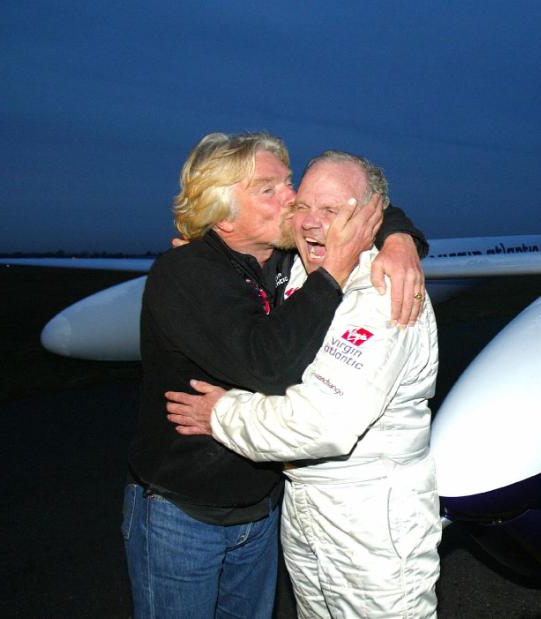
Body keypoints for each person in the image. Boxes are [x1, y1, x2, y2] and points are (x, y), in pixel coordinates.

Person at [123, 133, 428, 618]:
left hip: (263, 512)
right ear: (223, 216)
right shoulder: (188, 273)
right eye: (271, 190)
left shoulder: (285, 260)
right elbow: (267, 366)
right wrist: (335, 273)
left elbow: (355, 201)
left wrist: (399, 237)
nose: (293, 202)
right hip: (184, 514)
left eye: (290, 186)